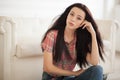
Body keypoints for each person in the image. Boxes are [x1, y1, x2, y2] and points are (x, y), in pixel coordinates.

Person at [41, 3, 104, 80]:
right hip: (51, 78)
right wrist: (75, 73)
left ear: (82, 23)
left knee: (97, 70)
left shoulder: (79, 40)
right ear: (67, 15)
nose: (73, 19)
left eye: (79, 18)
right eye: (71, 14)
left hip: (68, 78)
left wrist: (93, 34)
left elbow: (94, 62)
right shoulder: (52, 35)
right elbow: (48, 68)